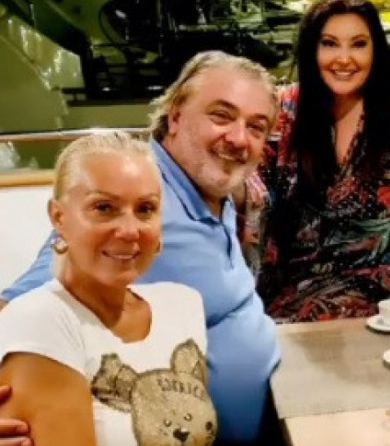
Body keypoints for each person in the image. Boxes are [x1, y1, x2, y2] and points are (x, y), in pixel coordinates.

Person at [1, 52, 282, 445]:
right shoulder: (143, 195)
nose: (239, 139)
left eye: (256, 127)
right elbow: (18, 309)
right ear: (176, 116)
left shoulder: (215, 191)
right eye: (221, 116)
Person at [0, 133, 217, 446]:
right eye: (104, 207)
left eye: (145, 208)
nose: (129, 230)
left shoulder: (183, 304)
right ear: (58, 217)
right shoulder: (41, 322)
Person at [256, 0, 390, 322]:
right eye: (330, 44)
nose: (344, 58)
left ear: (375, 50)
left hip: (382, 307)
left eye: (358, 44)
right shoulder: (282, 111)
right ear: (311, 49)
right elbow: (252, 198)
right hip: (288, 305)